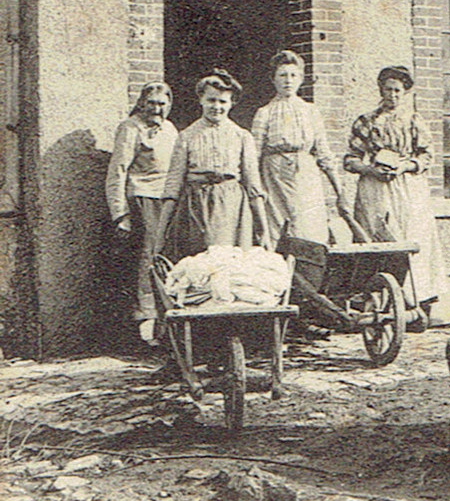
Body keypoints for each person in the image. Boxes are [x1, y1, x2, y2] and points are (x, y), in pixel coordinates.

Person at [344, 66, 445, 317]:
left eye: (398, 90)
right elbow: (349, 159)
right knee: (377, 239)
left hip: (408, 187)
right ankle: (380, 301)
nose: (393, 95)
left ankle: (416, 301)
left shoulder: (414, 120)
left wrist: (405, 166)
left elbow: (427, 155)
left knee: (413, 237)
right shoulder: (366, 121)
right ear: (381, 90)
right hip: (375, 188)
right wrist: (370, 170)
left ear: (406, 92)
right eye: (388, 89)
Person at [152, 70, 268, 261]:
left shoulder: (242, 136)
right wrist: (160, 235)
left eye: (223, 102)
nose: (216, 106)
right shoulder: (186, 136)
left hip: (232, 208)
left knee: (232, 265)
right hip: (196, 208)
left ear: (231, 103)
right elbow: (172, 186)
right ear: (201, 100)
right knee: (201, 265)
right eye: (211, 100)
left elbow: (254, 186)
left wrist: (263, 230)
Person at [106, 82, 179, 346]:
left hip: (168, 199)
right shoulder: (131, 128)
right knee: (146, 258)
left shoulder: (170, 129)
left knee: (167, 258)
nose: (157, 109)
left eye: (162, 104)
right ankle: (144, 324)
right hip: (142, 199)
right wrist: (120, 214)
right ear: (142, 103)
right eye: (152, 103)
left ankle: (166, 323)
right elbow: (117, 171)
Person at [251, 50, 348, 247]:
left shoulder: (310, 111)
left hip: (305, 175)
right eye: (283, 75)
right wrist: (257, 189)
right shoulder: (265, 113)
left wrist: (340, 191)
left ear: (301, 79)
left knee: (308, 227)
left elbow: (323, 151)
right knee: (279, 228)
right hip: (275, 176)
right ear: (273, 79)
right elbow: (254, 155)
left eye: (293, 75)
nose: (288, 80)